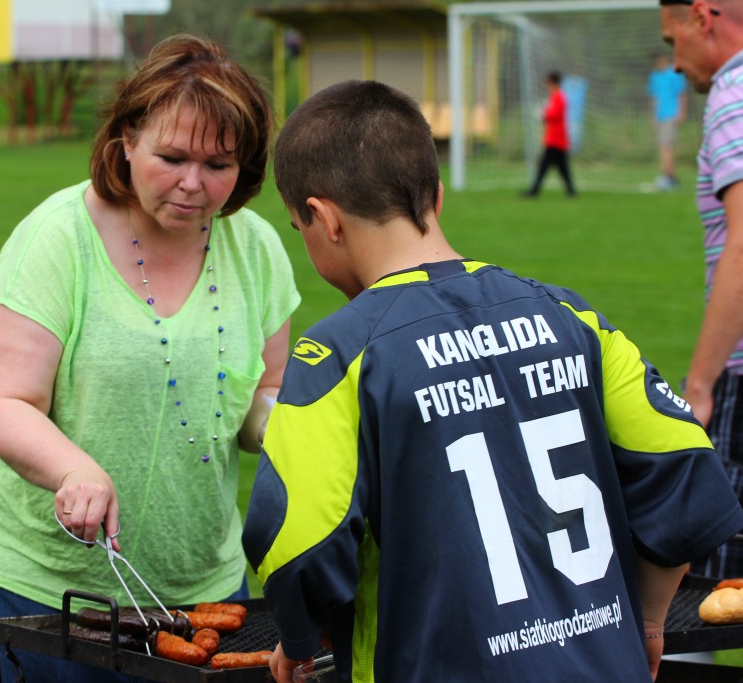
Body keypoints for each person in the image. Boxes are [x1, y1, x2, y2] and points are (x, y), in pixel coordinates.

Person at [242, 79, 743, 683]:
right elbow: (685, 467)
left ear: (323, 219)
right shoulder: (572, 318)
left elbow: (295, 540)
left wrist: (297, 642)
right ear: (437, 197)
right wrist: (649, 623)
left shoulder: (337, 354)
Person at [0, 34, 300, 683]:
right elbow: (5, 398)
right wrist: (72, 469)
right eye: (172, 156)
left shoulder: (258, 251)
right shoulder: (58, 235)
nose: (194, 183)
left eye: (219, 164)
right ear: (126, 139)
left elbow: (259, 399)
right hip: (23, 579)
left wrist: (290, 427)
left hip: (197, 589)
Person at [661, 0, 743, 579]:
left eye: (671, 41)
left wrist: (700, 383)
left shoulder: (732, 94)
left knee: (706, 581)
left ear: (701, 18)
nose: (673, 62)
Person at [522, 70, 577, 197]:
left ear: (551, 82)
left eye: (547, 82)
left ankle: (534, 191)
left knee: (544, 165)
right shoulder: (555, 97)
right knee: (562, 167)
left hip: (556, 139)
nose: (546, 85)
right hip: (555, 138)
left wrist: (542, 114)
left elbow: (554, 115)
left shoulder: (559, 97)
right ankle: (571, 191)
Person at [648, 51, 688, 190]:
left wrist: (681, 112)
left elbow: (681, 95)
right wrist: (653, 118)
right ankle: (668, 176)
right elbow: (654, 98)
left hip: (671, 114)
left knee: (666, 147)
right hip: (660, 116)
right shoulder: (654, 76)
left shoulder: (674, 73)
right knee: (664, 147)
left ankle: (669, 177)